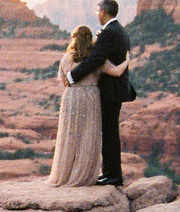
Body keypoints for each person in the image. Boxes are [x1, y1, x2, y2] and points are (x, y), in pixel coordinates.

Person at [47, 25, 128, 186]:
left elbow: (64, 82)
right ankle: (83, 175)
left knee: (70, 135)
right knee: (88, 135)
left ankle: (65, 175)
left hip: (71, 97)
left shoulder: (66, 58)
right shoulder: (95, 59)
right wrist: (127, 60)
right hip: (90, 97)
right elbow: (117, 72)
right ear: (90, 39)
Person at [66, 0, 132, 186]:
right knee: (109, 132)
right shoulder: (118, 30)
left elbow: (95, 59)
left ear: (103, 11)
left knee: (110, 133)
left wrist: (72, 76)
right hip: (116, 90)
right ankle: (109, 172)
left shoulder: (109, 32)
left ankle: (113, 175)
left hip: (111, 91)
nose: (97, 14)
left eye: (98, 11)